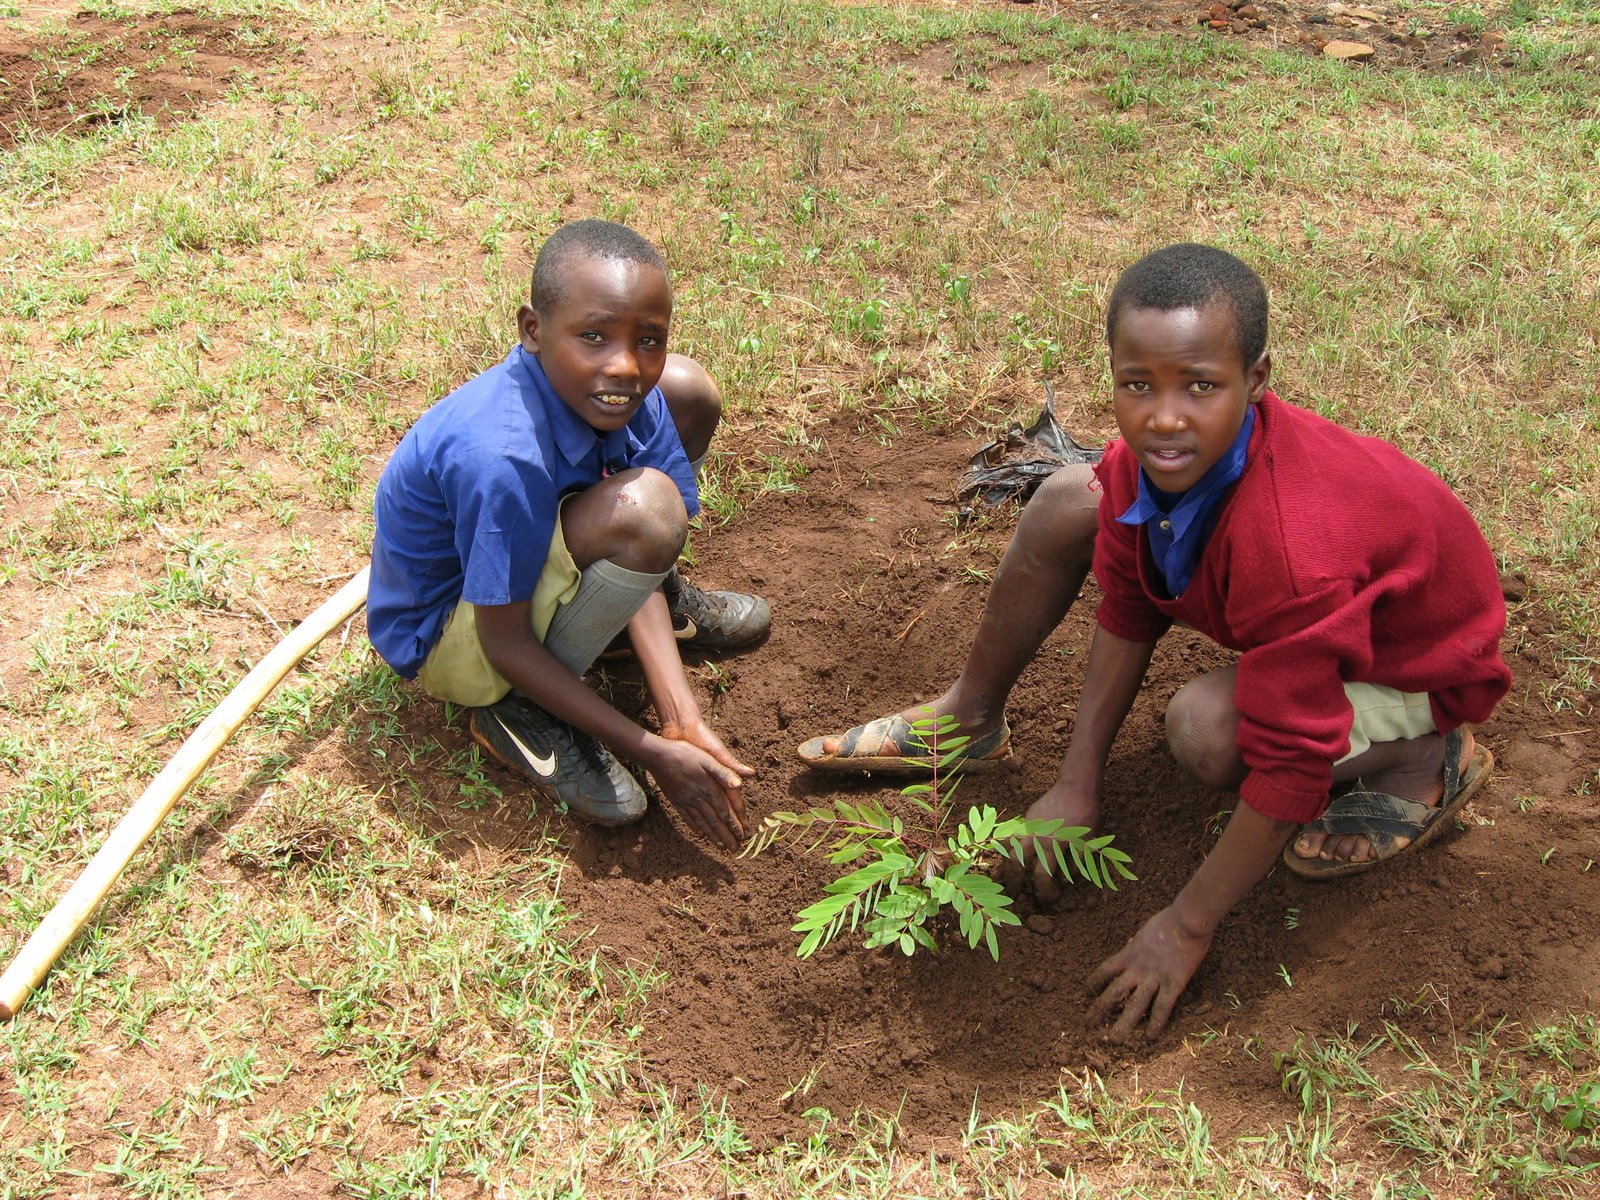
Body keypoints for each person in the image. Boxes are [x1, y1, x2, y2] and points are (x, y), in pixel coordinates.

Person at [797, 243, 1510, 1037]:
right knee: (1070, 499)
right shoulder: (1153, 463)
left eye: (1200, 386)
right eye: (1138, 385)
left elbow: (1293, 761)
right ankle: (972, 718)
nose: (1164, 418)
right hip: (1320, 607)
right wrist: (1076, 784)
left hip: (1420, 657)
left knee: (1209, 733)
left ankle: (1425, 756)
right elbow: (1131, 605)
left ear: (1257, 379)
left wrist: (1185, 926)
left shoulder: (1289, 549)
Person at [368, 218, 769, 849]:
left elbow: (642, 532)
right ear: (532, 329)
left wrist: (681, 718)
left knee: (687, 391)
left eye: (649, 339)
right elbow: (502, 641)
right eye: (593, 336)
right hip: (462, 638)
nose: (626, 365)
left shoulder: (626, 388)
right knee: (646, 509)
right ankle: (516, 710)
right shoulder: (501, 458)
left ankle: (608, 620)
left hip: (532, 556)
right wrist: (650, 749)